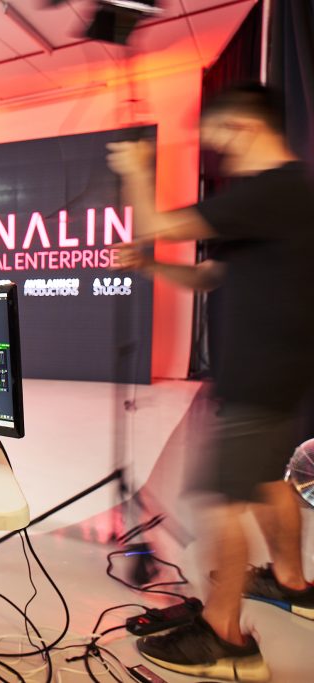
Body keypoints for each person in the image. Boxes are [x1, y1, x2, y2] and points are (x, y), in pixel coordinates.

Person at [108, 84, 314, 682]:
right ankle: (293, 583)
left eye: (219, 137)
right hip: (278, 372)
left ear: (244, 127)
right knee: (267, 482)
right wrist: (150, 265)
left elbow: (153, 220)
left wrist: (135, 168)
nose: (215, 149)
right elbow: (206, 276)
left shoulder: (272, 188)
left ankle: (226, 639)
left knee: (218, 501)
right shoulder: (279, 200)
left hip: (260, 374)